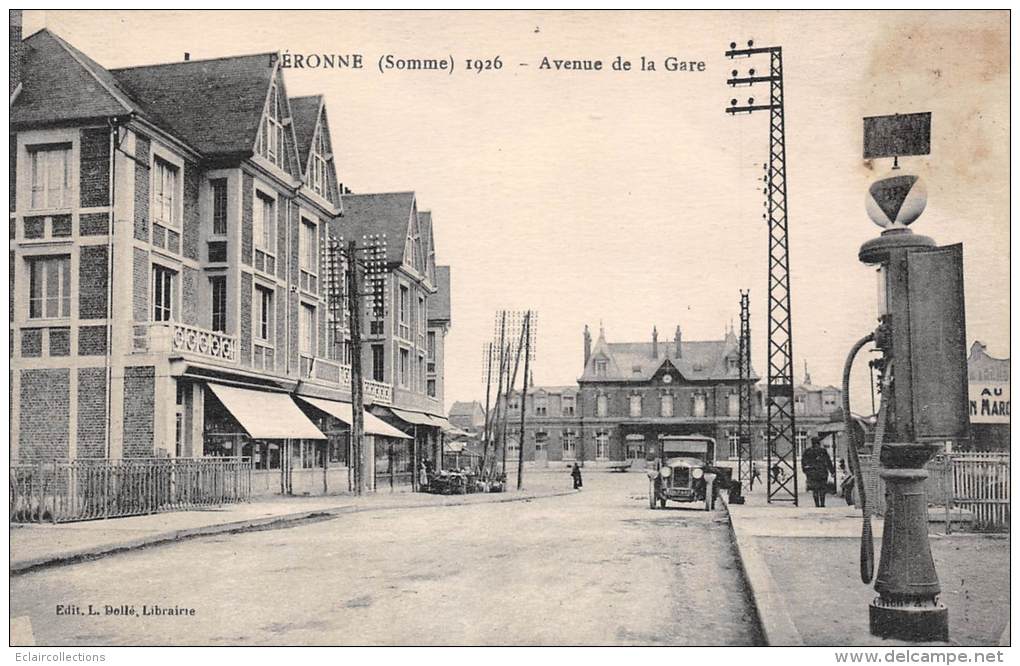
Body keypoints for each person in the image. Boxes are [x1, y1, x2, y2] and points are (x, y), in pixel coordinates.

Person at [802, 436, 835, 507]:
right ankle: (822, 504)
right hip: (822, 472)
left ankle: (817, 505)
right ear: (819, 443)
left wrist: (806, 471)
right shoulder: (823, 451)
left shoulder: (807, 451)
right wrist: (832, 471)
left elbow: (803, 462)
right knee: (822, 489)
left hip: (812, 473)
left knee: (815, 490)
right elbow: (828, 461)